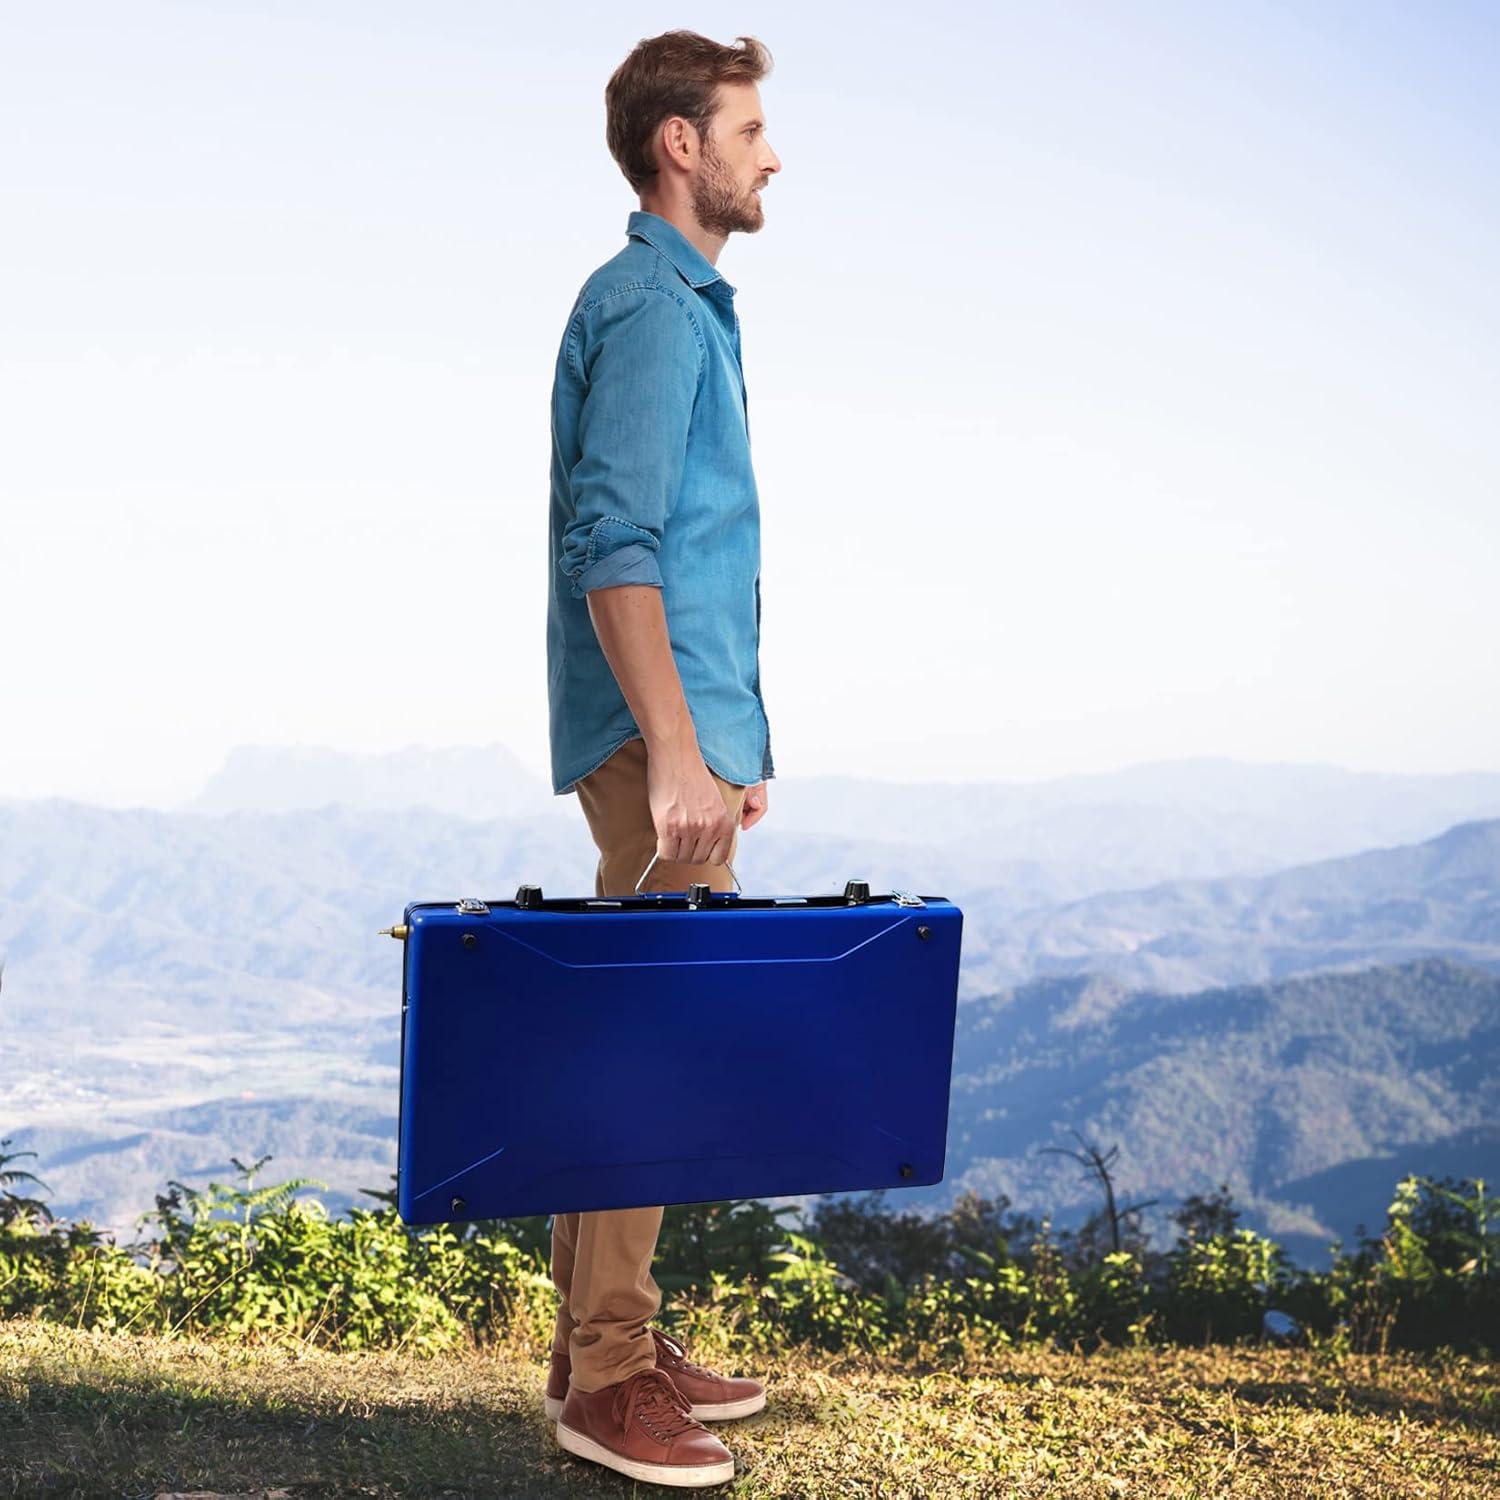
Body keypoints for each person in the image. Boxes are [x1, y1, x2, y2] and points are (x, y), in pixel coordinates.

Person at [541, 28, 783, 1489]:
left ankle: (606, 1350)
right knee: (644, 1054)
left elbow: (699, 559)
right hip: (651, 736)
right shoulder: (646, 303)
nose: (771, 154)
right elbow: (614, 546)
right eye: (749, 129)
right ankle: (606, 1377)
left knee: (648, 1039)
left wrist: (737, 743)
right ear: (679, 145)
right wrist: (679, 750)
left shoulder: (690, 307)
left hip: (684, 734)